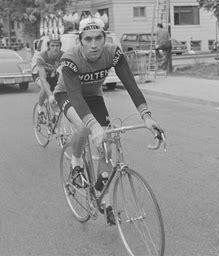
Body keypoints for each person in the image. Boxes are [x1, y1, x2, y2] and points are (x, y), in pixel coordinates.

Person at [53, 17, 162, 225]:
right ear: (80, 40)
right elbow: (76, 98)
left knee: (106, 147)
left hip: (94, 96)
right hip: (68, 94)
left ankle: (100, 196)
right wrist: (94, 127)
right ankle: (76, 162)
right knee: (85, 127)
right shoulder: (70, 59)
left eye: (98, 38)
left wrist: (147, 116)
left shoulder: (113, 53)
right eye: (88, 39)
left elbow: (130, 84)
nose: (93, 45)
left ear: (105, 38)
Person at [32, 34, 63, 117]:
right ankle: (40, 107)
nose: (55, 48)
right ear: (48, 46)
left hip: (52, 74)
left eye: (57, 45)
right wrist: (50, 96)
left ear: (60, 46)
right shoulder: (41, 57)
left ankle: (54, 116)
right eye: (52, 45)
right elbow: (42, 78)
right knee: (45, 88)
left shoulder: (63, 56)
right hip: (38, 74)